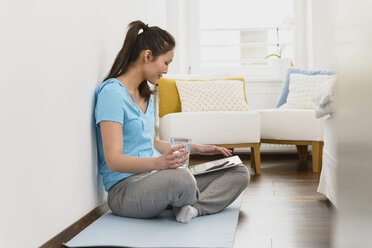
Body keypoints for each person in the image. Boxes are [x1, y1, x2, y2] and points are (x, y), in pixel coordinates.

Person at [94, 20, 249, 224]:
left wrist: (197, 148)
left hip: (157, 178)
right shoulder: (112, 94)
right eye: (166, 63)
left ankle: (192, 208)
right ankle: (187, 199)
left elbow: (153, 143)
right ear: (147, 56)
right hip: (125, 190)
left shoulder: (145, 96)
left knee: (239, 171)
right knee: (182, 179)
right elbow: (114, 160)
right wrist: (159, 163)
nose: (166, 71)